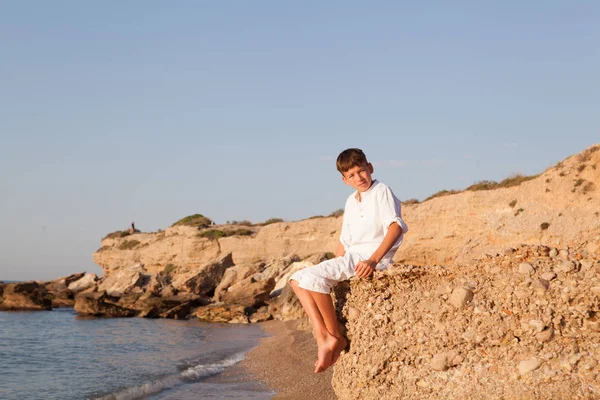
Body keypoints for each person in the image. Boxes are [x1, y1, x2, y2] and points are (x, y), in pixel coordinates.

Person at [289, 148, 408, 374]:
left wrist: (373, 260)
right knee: (296, 279)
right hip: (352, 256)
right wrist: (332, 270)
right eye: (351, 175)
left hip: (371, 257)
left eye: (361, 171)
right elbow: (344, 241)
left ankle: (333, 337)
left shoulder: (381, 190)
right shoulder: (351, 201)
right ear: (344, 180)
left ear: (370, 168)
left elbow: (396, 227)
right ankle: (323, 335)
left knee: (311, 277)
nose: (359, 178)